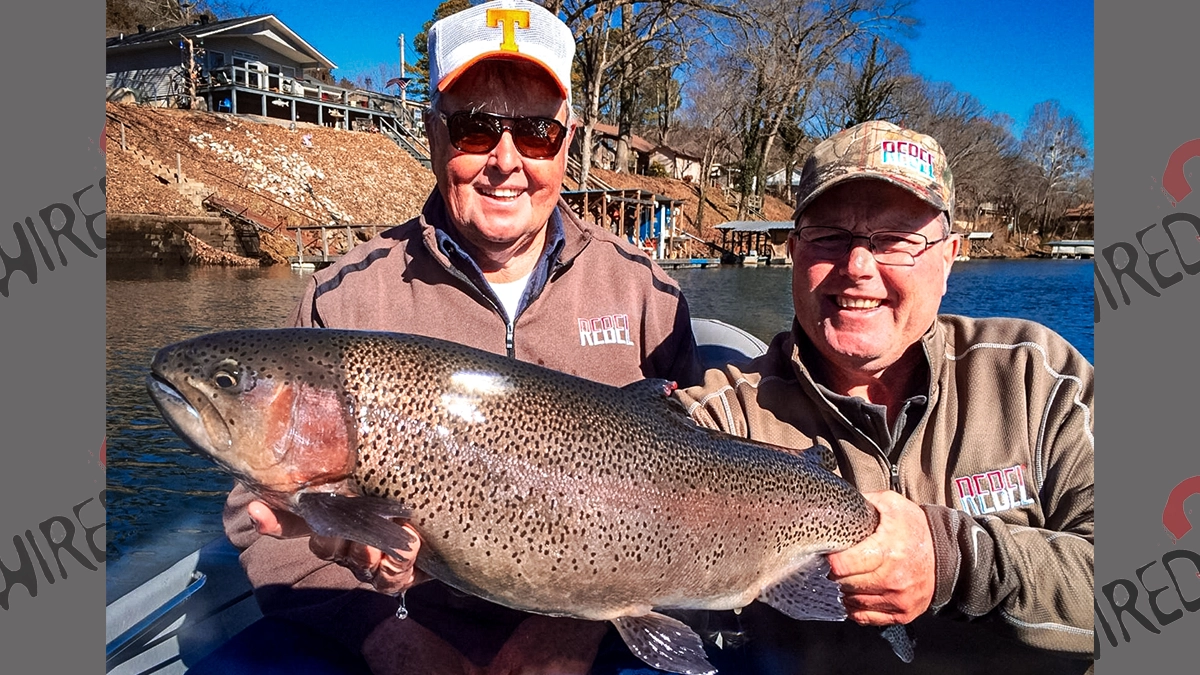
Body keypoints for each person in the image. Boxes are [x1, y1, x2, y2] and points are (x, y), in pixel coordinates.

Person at [195, 2, 702, 673]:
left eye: (537, 131)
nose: (505, 160)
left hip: (600, 624)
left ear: (568, 139)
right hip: (399, 623)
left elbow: (710, 501)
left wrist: (578, 631)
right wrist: (380, 632)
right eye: (474, 127)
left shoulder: (646, 295)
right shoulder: (345, 296)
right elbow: (258, 517)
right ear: (433, 132)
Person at [673, 120, 1094, 674]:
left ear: (948, 256)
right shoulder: (721, 418)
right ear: (795, 253)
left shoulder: (1036, 376)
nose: (857, 268)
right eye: (828, 237)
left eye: (895, 240)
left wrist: (956, 559)